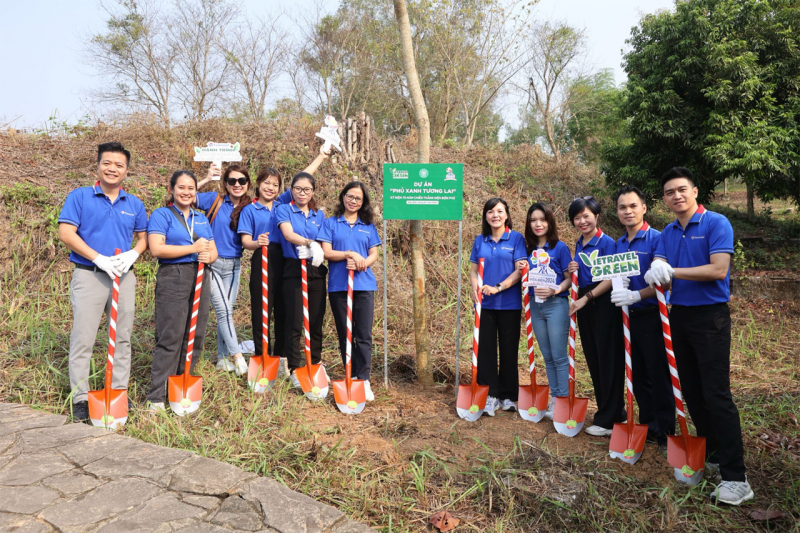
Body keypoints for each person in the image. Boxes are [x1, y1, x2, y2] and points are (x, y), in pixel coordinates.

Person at [644, 167, 752, 505]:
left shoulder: (716, 223)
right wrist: (641, 289)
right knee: (690, 389)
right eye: (669, 192)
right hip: (680, 317)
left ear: (694, 191)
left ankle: (737, 477)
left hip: (711, 318)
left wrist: (672, 271)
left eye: (681, 189)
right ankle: (715, 453)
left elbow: (718, 269)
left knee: (716, 393)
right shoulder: (668, 233)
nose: (676, 196)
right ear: (663, 199)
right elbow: (659, 271)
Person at [58, 142, 148, 423]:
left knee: (122, 337)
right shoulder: (81, 196)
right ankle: (81, 398)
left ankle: (118, 391)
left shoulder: (133, 203)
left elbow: (144, 237)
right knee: (83, 338)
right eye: (107, 163)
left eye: (119, 165)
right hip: (90, 274)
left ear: (127, 171)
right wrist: (98, 258)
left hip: (123, 277)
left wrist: (134, 252)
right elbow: (66, 233)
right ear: (97, 165)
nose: (113, 169)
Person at [238, 146, 330, 376]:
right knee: (262, 308)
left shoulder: (283, 204)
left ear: (280, 189)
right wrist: (257, 242)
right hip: (265, 257)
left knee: (284, 309)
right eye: (266, 183)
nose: (270, 188)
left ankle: (280, 358)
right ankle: (262, 354)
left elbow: (303, 179)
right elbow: (245, 242)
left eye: (275, 184)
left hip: (288, 258)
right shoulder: (250, 209)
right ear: (257, 185)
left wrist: (321, 155)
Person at [609, 186, 675, 452]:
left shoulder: (657, 239)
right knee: (636, 376)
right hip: (627, 318)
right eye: (623, 207)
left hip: (652, 316)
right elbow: (615, 277)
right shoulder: (618, 243)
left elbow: (665, 281)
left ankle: (666, 432)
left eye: (633, 206)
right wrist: (618, 287)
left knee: (659, 375)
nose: (628, 211)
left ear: (644, 208)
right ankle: (648, 425)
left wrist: (637, 294)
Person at [146, 170, 218, 411]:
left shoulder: (201, 218)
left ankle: (180, 387)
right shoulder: (162, 215)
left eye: (191, 188)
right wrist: (193, 248)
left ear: (196, 192)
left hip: (200, 276)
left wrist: (208, 255)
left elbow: (213, 251)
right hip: (173, 276)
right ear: (172, 189)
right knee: (171, 335)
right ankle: (157, 396)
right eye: (181, 187)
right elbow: (157, 249)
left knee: (195, 335)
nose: (186, 192)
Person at [567, 196, 625, 436]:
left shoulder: (608, 243)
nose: (582, 221)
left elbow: (611, 278)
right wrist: (572, 270)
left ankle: (609, 417)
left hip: (603, 301)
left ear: (597, 216)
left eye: (586, 216)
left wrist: (587, 297)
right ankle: (608, 413)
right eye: (577, 217)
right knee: (593, 356)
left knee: (608, 358)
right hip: (584, 301)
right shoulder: (579, 243)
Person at [318, 182, 382, 401]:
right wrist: (350, 254)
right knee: (346, 334)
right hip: (339, 286)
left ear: (363, 203)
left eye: (358, 198)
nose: (353, 201)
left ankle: (363, 379)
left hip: (364, 286)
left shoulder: (368, 225)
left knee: (363, 335)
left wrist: (364, 261)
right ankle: (350, 374)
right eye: (350, 196)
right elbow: (326, 252)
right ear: (343, 196)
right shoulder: (331, 223)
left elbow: (374, 253)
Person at [469, 198, 528, 415]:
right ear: (485, 216)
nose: (495, 215)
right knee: (485, 350)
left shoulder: (516, 238)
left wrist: (498, 287)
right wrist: (476, 289)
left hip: (509, 303)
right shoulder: (480, 240)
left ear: (506, 215)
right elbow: (474, 271)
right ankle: (490, 396)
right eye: (491, 211)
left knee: (508, 350)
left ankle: (509, 396)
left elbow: (520, 270)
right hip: (484, 305)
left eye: (499, 211)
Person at [195, 163, 252, 375]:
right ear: (225, 183)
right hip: (212, 263)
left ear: (247, 183)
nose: (237, 185)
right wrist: (207, 178)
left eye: (241, 181)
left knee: (226, 312)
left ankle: (221, 358)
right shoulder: (214, 199)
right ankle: (238, 358)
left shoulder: (249, 207)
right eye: (232, 181)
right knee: (224, 310)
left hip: (234, 266)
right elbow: (182, 195)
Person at [520, 202, 573, 420]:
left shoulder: (559, 247)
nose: (538, 224)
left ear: (549, 222)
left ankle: (563, 401)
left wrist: (556, 289)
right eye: (533, 220)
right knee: (548, 356)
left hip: (556, 305)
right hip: (535, 305)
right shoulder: (527, 249)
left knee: (560, 356)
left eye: (542, 219)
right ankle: (554, 399)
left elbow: (569, 278)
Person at [275, 172, 328, 387]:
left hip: (315, 268)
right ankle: (295, 367)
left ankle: (315, 363)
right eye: (298, 188)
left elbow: (325, 240)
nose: (302, 193)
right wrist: (309, 242)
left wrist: (319, 248)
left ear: (313, 191)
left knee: (315, 320)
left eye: (307, 189)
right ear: (291, 190)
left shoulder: (319, 215)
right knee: (295, 321)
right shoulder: (284, 209)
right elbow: (288, 234)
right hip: (294, 268)